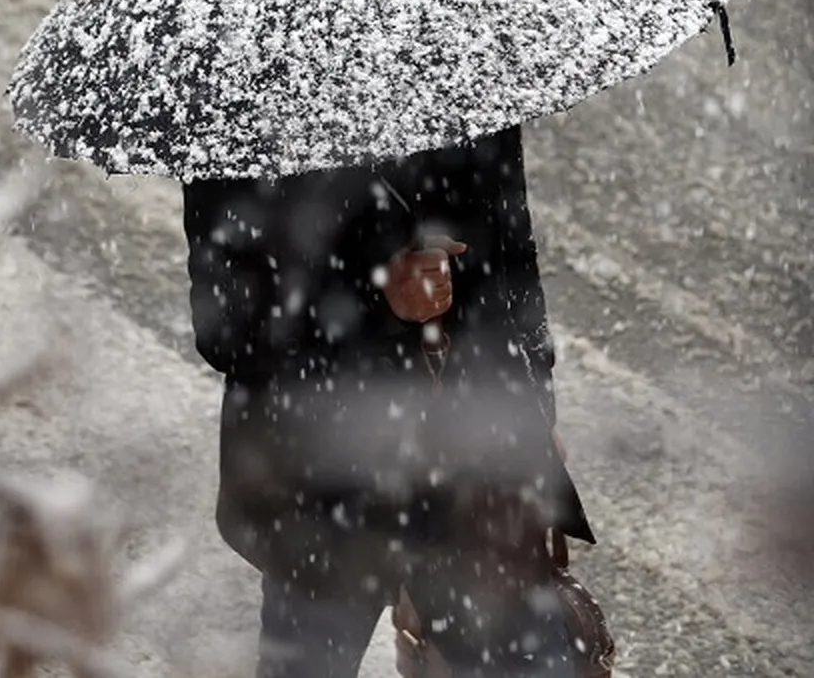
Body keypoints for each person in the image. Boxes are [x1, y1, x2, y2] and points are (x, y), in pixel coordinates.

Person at [182, 125, 595, 678]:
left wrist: (535, 405)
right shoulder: (247, 110)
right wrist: (377, 297)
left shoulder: (461, 79)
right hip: (324, 489)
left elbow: (511, 247)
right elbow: (227, 326)